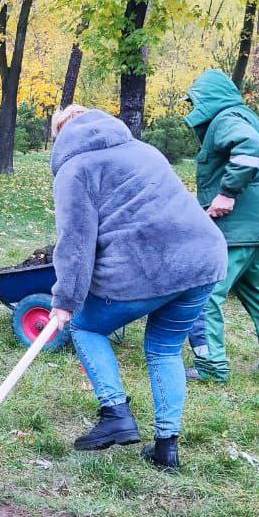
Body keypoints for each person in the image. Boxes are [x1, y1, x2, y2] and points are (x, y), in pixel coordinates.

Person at [48, 105, 228, 471]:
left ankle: (115, 413)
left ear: (61, 136)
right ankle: (166, 449)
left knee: (85, 327)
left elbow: (76, 243)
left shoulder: (75, 168)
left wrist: (65, 300)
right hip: (203, 257)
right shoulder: (143, 150)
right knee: (165, 349)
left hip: (147, 265)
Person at [184, 69, 259, 382]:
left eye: (194, 101)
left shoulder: (226, 119)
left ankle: (212, 367)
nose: (192, 108)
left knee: (206, 294)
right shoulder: (250, 117)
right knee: (258, 293)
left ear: (209, 98)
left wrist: (227, 193)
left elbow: (250, 148)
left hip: (236, 225)